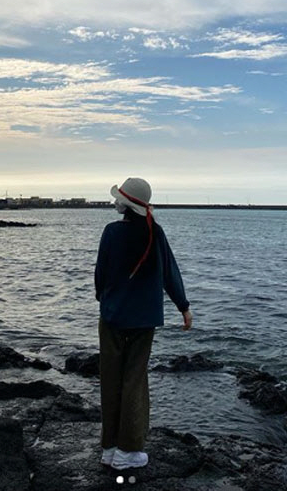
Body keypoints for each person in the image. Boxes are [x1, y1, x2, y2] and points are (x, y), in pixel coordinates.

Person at [94, 176, 192, 471]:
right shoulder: (155, 233)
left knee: (110, 379)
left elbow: (100, 273)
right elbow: (169, 273)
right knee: (134, 380)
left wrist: (105, 299)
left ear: (124, 205)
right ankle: (129, 451)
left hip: (112, 315)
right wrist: (184, 308)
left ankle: (109, 448)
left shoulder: (111, 232)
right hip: (143, 318)